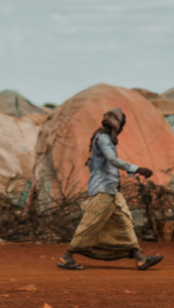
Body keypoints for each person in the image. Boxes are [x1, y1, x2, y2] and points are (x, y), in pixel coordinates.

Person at [58, 107, 163, 271]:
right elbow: (112, 159)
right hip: (102, 191)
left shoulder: (103, 138)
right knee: (90, 224)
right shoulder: (103, 139)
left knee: (125, 222)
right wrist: (137, 169)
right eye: (122, 125)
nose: (121, 129)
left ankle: (140, 257)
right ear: (116, 125)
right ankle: (67, 256)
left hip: (112, 191)